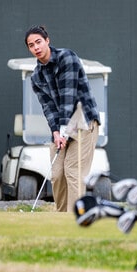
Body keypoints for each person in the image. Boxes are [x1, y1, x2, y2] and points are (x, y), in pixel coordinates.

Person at [24, 25, 100, 212]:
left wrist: (65, 129)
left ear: (47, 40)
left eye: (39, 42)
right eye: (31, 45)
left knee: (73, 171)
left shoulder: (67, 58)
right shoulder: (36, 77)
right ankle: (61, 217)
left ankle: (74, 218)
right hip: (62, 126)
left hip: (83, 120)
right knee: (57, 173)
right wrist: (56, 132)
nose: (36, 47)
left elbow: (68, 97)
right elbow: (48, 107)